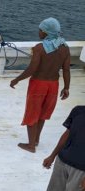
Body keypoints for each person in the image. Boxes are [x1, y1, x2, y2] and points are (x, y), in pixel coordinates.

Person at [10, 17, 70, 153]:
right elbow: (66, 69)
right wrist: (66, 87)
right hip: (53, 85)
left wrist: (17, 79)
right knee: (43, 114)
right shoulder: (64, 47)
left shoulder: (40, 48)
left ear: (47, 33)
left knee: (32, 113)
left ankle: (31, 145)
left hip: (39, 84)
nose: (39, 32)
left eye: (41, 30)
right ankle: (36, 140)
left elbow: (32, 69)